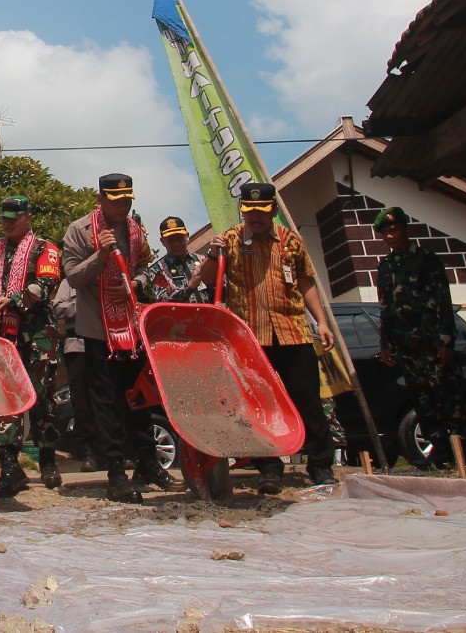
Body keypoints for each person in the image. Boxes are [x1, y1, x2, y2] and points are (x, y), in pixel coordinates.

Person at [212, 182, 338, 492]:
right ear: (242, 210)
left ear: (274, 211)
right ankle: (269, 468)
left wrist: (321, 321)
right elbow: (207, 279)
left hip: (292, 332)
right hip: (249, 339)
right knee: (257, 406)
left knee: (307, 401)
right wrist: (213, 257)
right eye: (250, 211)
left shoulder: (291, 241)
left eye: (262, 211)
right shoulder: (229, 240)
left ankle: (320, 465)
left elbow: (307, 282)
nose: (256, 217)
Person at [61, 173, 168, 503]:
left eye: (127, 201)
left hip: (131, 330)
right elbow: (73, 276)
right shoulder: (79, 231)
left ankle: (148, 463)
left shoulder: (136, 231)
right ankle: (116, 474)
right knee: (105, 404)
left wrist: (135, 284)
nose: (123, 206)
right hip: (97, 331)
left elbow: (147, 268)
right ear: (100, 199)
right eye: (116, 201)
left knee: (139, 399)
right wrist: (101, 257)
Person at [373, 205, 466, 465]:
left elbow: (443, 301)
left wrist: (446, 340)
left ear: (405, 230)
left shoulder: (426, 260)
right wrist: (385, 343)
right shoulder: (385, 267)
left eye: (394, 230)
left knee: (450, 398)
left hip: (432, 341)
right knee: (423, 401)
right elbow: (385, 307)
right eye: (385, 233)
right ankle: (440, 450)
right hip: (405, 345)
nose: (390, 236)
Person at [0, 195, 65, 494]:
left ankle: (48, 461)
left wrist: (13, 299)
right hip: (4, 333)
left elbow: (45, 286)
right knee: (6, 400)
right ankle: (11, 469)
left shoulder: (45, 248)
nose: (7, 223)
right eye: (4, 217)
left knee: (42, 399)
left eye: (13, 218)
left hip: (39, 332)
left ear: (28, 217)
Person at [51, 280, 101, 470]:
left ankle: (115, 451)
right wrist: (86, 306)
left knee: (106, 397)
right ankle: (88, 452)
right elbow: (58, 309)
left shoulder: (103, 276)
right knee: (81, 401)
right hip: (77, 345)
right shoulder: (69, 282)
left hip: (103, 341)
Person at [138, 216, 219, 303]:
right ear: (162, 242)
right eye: (171, 240)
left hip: (208, 315)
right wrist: (190, 286)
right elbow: (162, 301)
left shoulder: (202, 260)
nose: (176, 244)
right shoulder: (157, 270)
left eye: (179, 238)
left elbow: (222, 289)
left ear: (187, 237)